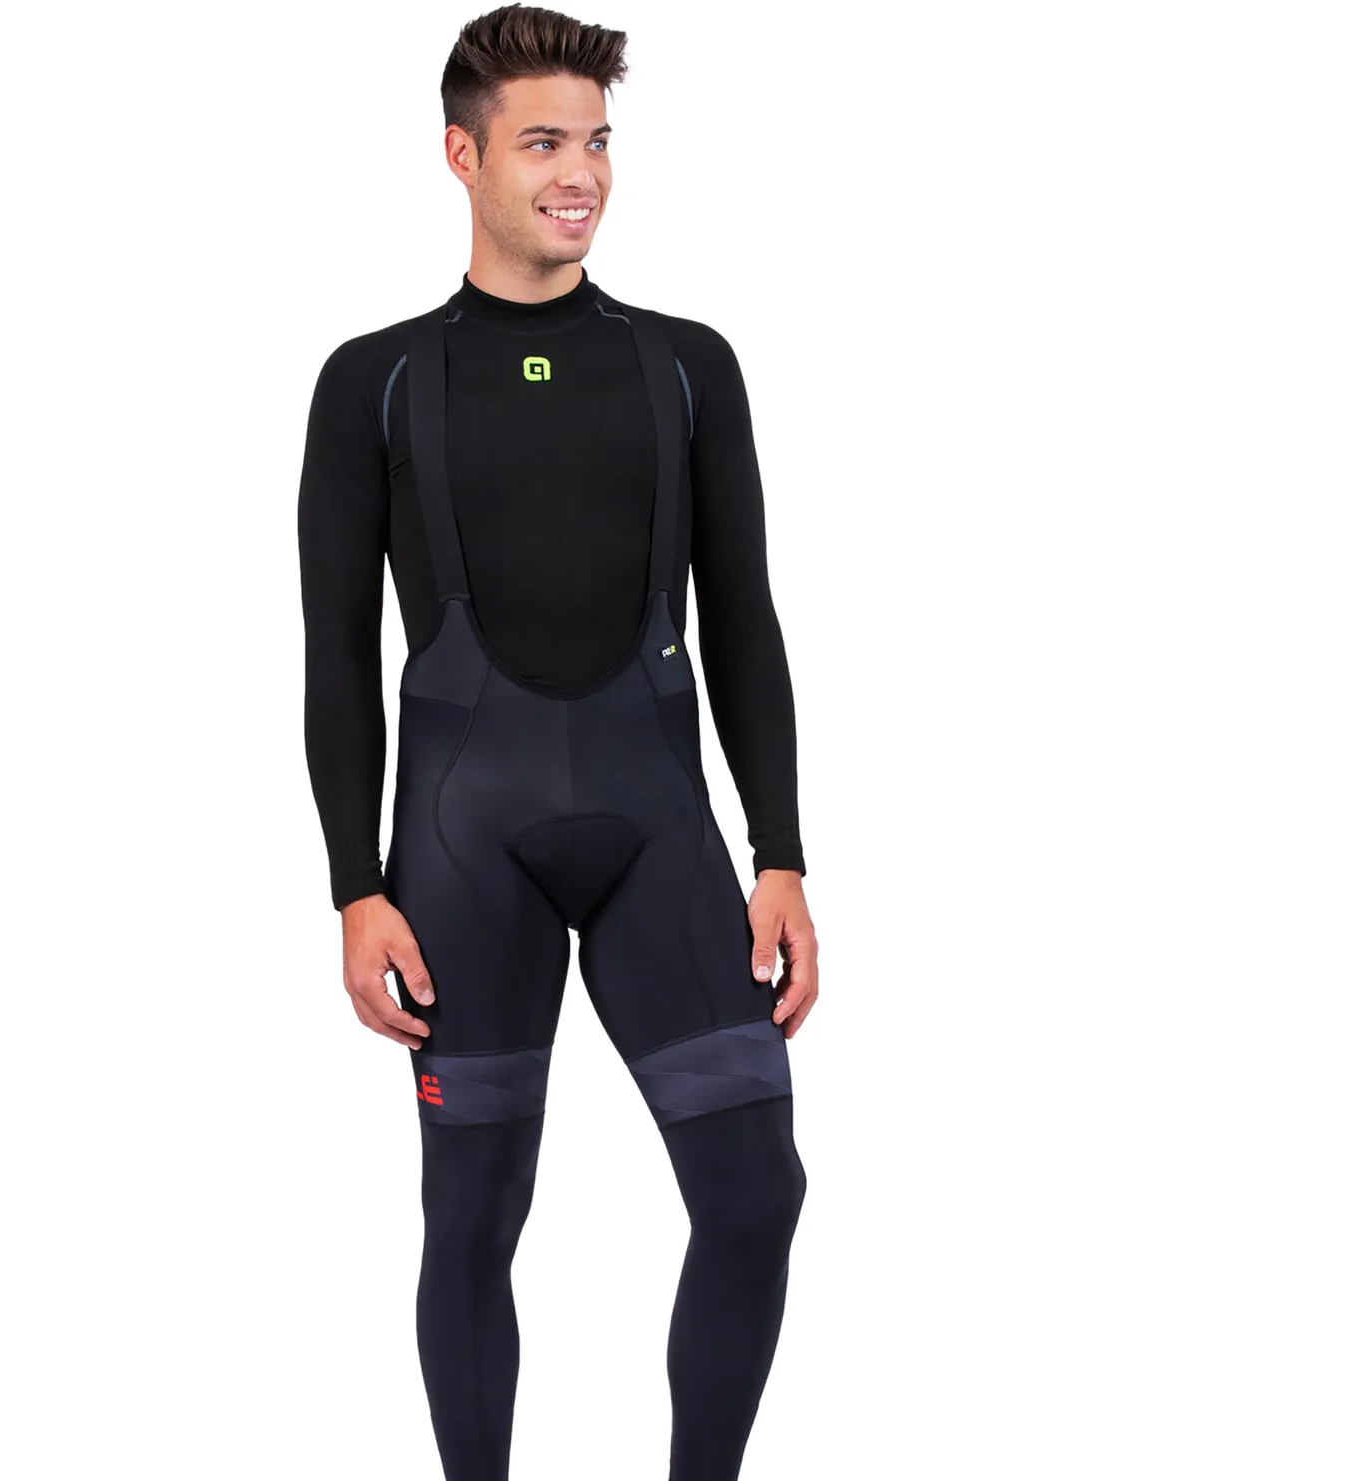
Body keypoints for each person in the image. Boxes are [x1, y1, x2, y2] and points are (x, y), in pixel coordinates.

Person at [296, 6, 820, 1477]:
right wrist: (355, 889)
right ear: (461, 157)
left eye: (595, 141)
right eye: (542, 142)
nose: (579, 172)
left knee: (756, 1196)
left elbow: (746, 622)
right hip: (464, 850)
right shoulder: (373, 381)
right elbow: (335, 654)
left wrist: (781, 855)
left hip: (661, 833)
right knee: (471, 1218)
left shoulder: (687, 366)